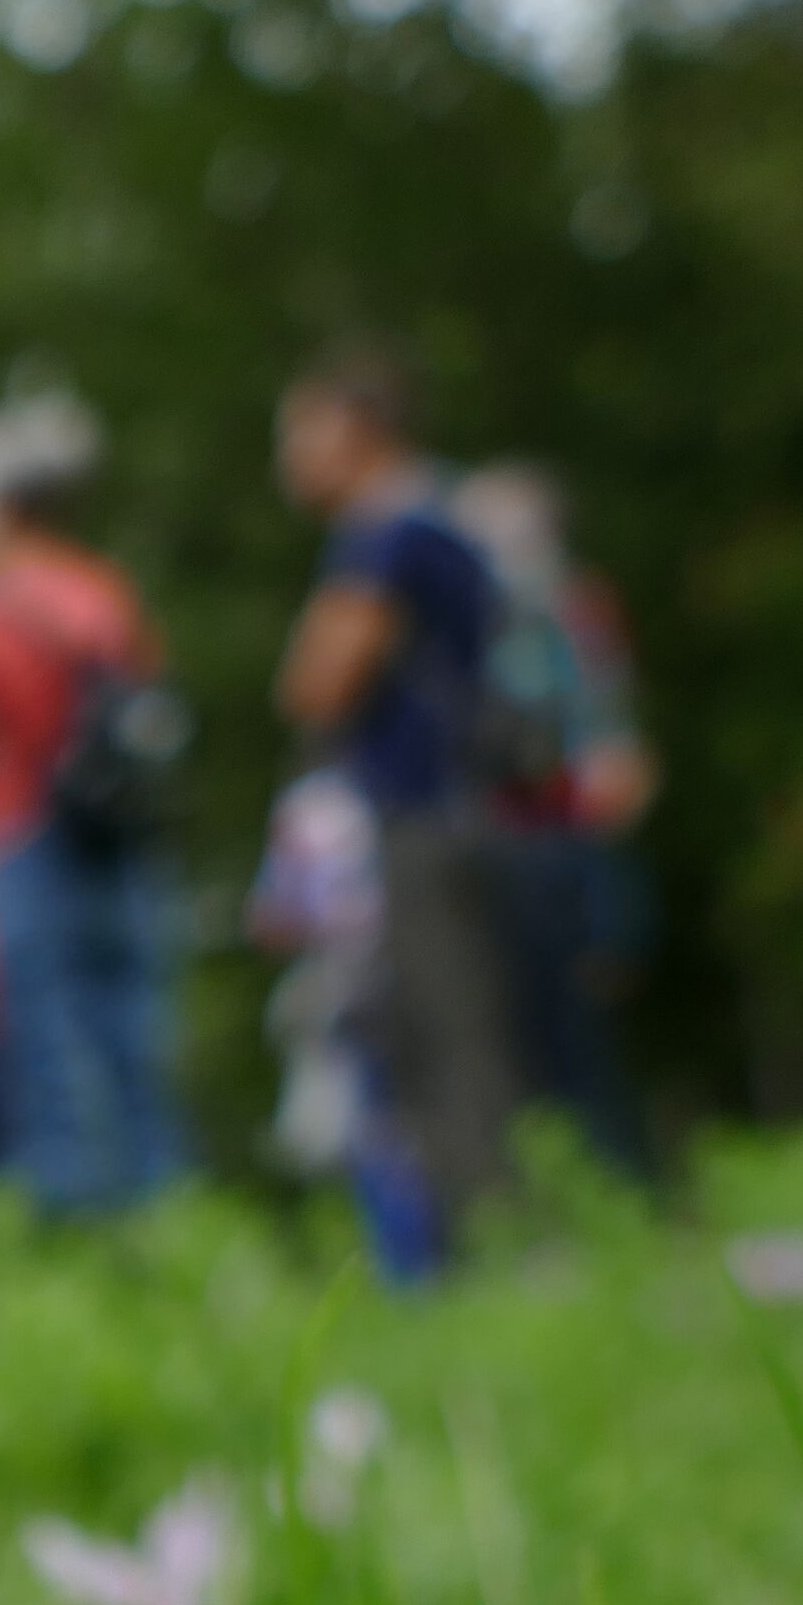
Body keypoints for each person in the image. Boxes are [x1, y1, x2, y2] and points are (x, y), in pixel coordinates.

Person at [0, 392, 187, 1215]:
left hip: (14, 840)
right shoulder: (104, 594)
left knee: (42, 1053)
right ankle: (169, 1216)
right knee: (135, 1041)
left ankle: (75, 1231)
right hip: (117, 839)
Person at [270, 344, 516, 1266]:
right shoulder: (454, 519)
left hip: (405, 814)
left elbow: (317, 685)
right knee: (457, 1027)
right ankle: (474, 1240)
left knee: (426, 1033)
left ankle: (472, 1249)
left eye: (299, 429)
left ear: (355, 426)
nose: (289, 456)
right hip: (459, 807)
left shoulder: (388, 533)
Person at [451, 461, 658, 1177]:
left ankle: (602, 1194)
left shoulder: (556, 611)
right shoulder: (508, 614)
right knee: (531, 1037)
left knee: (567, 1036)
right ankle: (564, 1198)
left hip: (556, 845)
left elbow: (615, 755)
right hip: (511, 843)